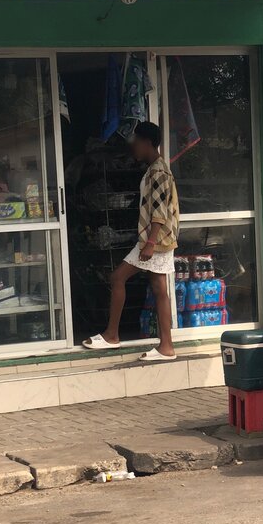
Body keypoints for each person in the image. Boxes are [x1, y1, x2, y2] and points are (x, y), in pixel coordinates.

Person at [83, 121, 179, 361]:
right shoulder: (158, 168)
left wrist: (150, 243)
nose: (132, 147)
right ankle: (166, 346)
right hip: (161, 240)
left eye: (135, 142)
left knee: (117, 278)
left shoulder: (157, 172)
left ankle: (112, 335)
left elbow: (158, 211)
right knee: (160, 290)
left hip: (154, 241)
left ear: (147, 143)